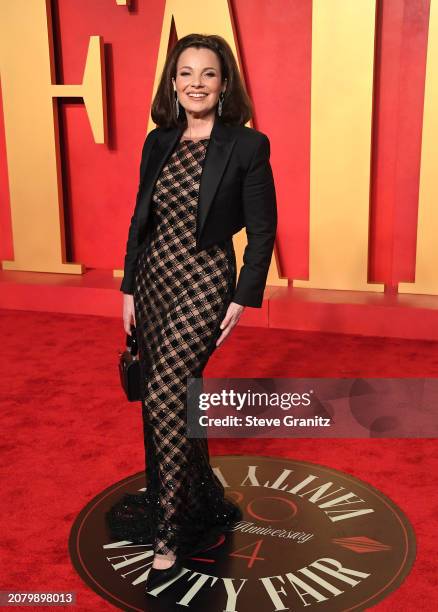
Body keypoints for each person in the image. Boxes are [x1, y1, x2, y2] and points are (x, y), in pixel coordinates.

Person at [106, 33, 277, 591]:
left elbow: (262, 229)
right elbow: (140, 219)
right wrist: (129, 285)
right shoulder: (158, 141)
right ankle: (191, 495)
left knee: (163, 393)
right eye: (185, 73)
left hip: (205, 279)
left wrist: (243, 296)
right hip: (155, 277)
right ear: (173, 82)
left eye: (207, 73)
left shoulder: (248, 146)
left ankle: (169, 530)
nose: (195, 83)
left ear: (224, 83)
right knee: (172, 393)